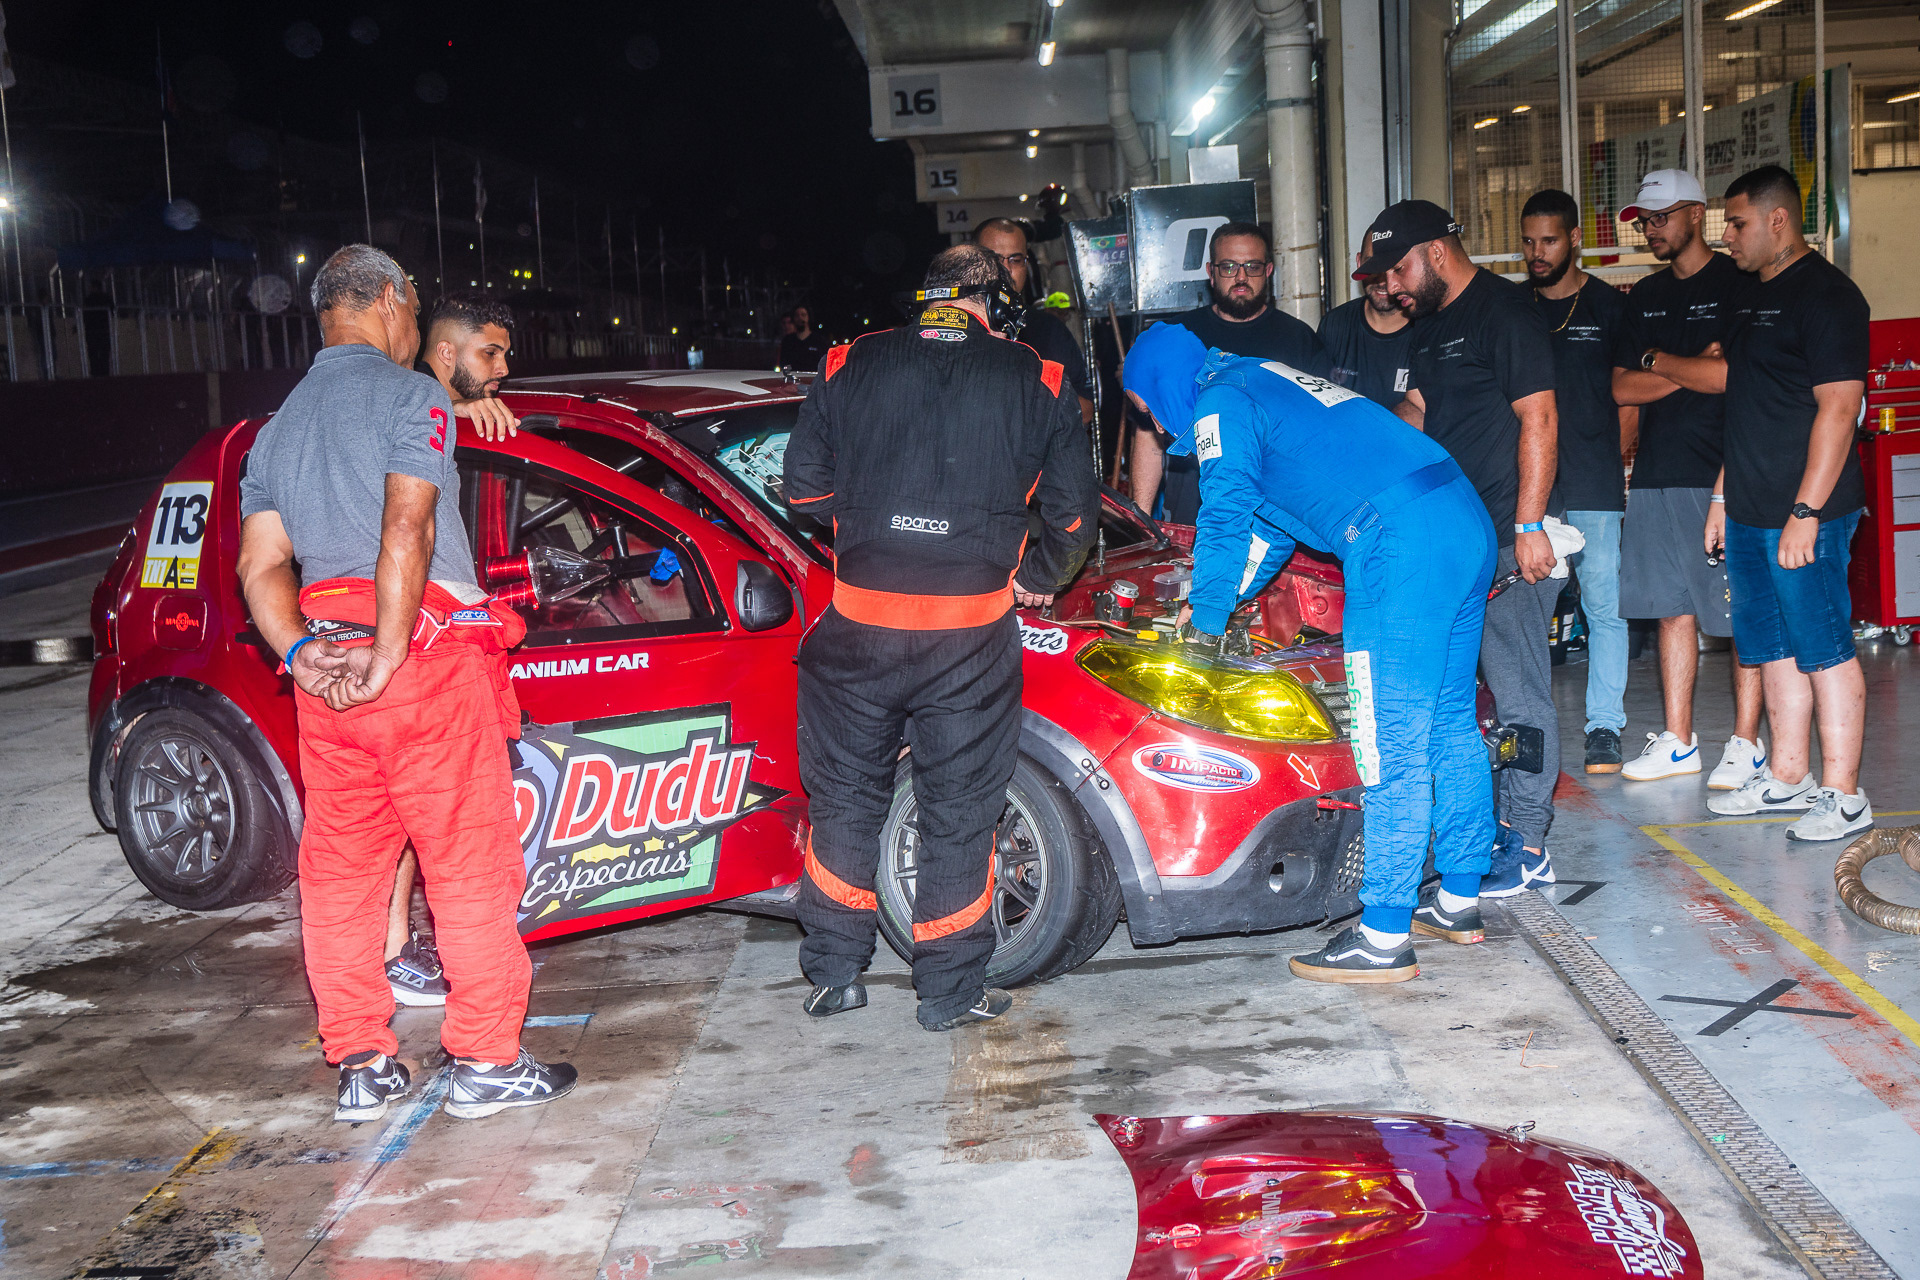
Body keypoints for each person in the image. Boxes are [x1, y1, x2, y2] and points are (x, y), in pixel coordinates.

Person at [235, 245, 575, 1122]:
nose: (416, 327)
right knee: (468, 864)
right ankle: (487, 1060)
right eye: (416, 311)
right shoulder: (409, 396)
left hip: (326, 678)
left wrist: (298, 653)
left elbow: (260, 565)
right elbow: (408, 528)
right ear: (389, 299)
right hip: (420, 662)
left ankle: (361, 1063)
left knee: (340, 873)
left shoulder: (275, 430)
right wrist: (388, 650)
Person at [782, 245, 1096, 1030]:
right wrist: (1041, 574)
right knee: (959, 810)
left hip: (858, 629)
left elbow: (804, 493)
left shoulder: (847, 360)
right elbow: (1071, 518)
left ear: (927, 297)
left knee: (844, 798)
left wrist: (876, 523)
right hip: (969, 639)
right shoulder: (1039, 377)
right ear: (996, 303)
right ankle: (949, 994)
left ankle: (834, 973)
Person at [1123, 323, 1496, 983]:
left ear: (1162, 385)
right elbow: (1269, 530)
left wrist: (1204, 624)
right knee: (1448, 723)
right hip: (1461, 519)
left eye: (1145, 406)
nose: (1150, 422)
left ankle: (1383, 936)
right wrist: (1215, 601)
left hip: (1399, 544)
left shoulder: (1218, 403)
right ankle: (1460, 897)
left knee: (1387, 743)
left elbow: (1225, 513)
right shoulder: (1256, 377)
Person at [1369, 199, 1561, 898]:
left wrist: (1529, 525)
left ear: (1435, 251)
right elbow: (1420, 410)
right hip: (1457, 540)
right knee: (1471, 700)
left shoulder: (1504, 313)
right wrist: (1360, 434)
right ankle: (1492, 826)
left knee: (1519, 694)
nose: (1391, 286)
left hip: (1510, 538)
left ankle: (1529, 843)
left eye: (1398, 270)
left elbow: (1540, 416)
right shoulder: (1430, 326)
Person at [1707, 165, 1872, 841]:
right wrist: (1722, 496)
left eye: (1737, 222)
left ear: (1778, 220)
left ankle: (1845, 795)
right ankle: (1788, 775)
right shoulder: (1748, 296)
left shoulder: (1829, 297)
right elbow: (1749, 405)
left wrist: (1805, 513)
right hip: (1749, 510)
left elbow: (1839, 409)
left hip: (1807, 515)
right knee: (1772, 648)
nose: (1727, 235)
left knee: (1823, 646)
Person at [372, 289, 526, 1010]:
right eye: (489, 353)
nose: (503, 368)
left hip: (452, 629)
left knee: (424, 815)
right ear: (443, 352)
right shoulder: (410, 405)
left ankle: (405, 948)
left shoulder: (436, 416)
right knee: (419, 815)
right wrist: (454, 409)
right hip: (418, 636)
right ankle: (395, 953)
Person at [1608, 171, 1766, 790]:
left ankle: (1747, 743)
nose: (1651, 229)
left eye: (1662, 217)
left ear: (1697, 214)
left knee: (1738, 618)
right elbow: (1622, 387)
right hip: (1653, 475)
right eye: (1644, 220)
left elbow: (1729, 378)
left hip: (1721, 476)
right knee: (1668, 610)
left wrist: (1661, 362)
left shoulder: (1737, 284)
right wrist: (1688, 367)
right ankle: (1679, 742)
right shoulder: (1643, 296)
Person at [1520, 189, 1634, 774]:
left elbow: (1629, 397)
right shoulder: (1512, 308)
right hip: (1528, 486)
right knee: (1520, 610)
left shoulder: (1610, 307)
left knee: (1604, 606)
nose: (1537, 253)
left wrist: (1610, 462)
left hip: (1592, 481)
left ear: (1574, 240)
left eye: (1549, 241)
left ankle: (1604, 728)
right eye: (1529, 242)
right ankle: (1522, 724)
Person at [1131, 222, 1333, 523]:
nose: (1241, 277)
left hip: (1277, 516)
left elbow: (1318, 437)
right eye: (1229, 267)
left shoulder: (1299, 339)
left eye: (1252, 266)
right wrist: (1142, 520)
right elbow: (1148, 435)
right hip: (1191, 512)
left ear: (1268, 271)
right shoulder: (1177, 338)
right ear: (1211, 273)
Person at [973, 217, 1094, 424]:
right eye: (994, 259)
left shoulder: (1050, 330)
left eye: (1015, 259)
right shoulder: (955, 326)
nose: (1006, 269)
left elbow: (1085, 410)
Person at [1317, 254, 1416, 410]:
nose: (1383, 281)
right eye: (1373, 264)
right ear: (1359, 262)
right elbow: (1316, 401)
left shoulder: (1428, 328)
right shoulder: (1335, 323)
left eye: (1394, 266)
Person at [780, 304, 828, 370]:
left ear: (808, 317)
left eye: (803, 315)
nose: (800, 318)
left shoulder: (819, 340)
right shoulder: (787, 341)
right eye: (797, 315)